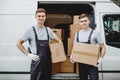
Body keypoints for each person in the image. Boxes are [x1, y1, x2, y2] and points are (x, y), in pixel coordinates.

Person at [16, 8, 61, 80]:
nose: (41, 18)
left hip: (47, 64)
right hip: (36, 64)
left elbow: (59, 41)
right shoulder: (30, 30)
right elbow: (18, 43)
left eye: (43, 16)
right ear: (35, 17)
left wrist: (56, 52)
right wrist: (28, 54)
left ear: (45, 17)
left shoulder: (48, 30)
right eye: (39, 16)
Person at [70, 13, 106, 80]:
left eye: (85, 21)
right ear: (79, 23)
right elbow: (74, 47)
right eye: (81, 21)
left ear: (89, 21)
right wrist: (72, 56)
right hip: (81, 63)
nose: (83, 23)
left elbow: (103, 47)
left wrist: (100, 58)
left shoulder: (95, 33)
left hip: (93, 64)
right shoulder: (77, 34)